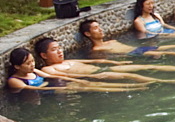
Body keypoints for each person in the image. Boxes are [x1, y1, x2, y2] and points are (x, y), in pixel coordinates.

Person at [35, 38, 175, 84]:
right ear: (44, 55)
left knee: (144, 65)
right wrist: (92, 78)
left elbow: (91, 62)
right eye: (54, 50)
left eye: (59, 48)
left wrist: (116, 63)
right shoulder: (48, 69)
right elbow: (66, 78)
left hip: (102, 70)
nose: (60, 51)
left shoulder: (68, 60)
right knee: (131, 76)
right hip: (97, 76)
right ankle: (166, 82)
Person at [6, 47, 146, 93]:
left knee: (88, 84)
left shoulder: (34, 72)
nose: (32, 65)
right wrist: (51, 86)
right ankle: (130, 89)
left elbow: (54, 76)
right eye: (27, 63)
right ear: (17, 66)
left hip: (54, 86)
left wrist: (75, 79)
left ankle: (132, 86)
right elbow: (38, 90)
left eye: (32, 61)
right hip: (49, 92)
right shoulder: (14, 81)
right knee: (92, 88)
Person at [79, 20, 175, 59]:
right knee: (172, 51)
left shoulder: (111, 41)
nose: (100, 29)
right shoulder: (96, 49)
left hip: (139, 49)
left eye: (100, 26)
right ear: (87, 33)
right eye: (95, 28)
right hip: (134, 53)